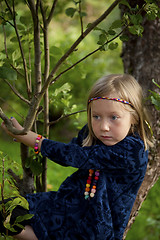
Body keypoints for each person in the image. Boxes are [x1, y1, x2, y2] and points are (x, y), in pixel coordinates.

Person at [0, 74, 153, 240]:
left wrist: (30, 139)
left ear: (134, 117)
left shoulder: (133, 150)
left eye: (114, 117)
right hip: (67, 205)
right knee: (6, 211)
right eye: (96, 116)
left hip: (95, 227)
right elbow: (72, 148)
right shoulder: (92, 133)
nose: (104, 127)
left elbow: (74, 156)